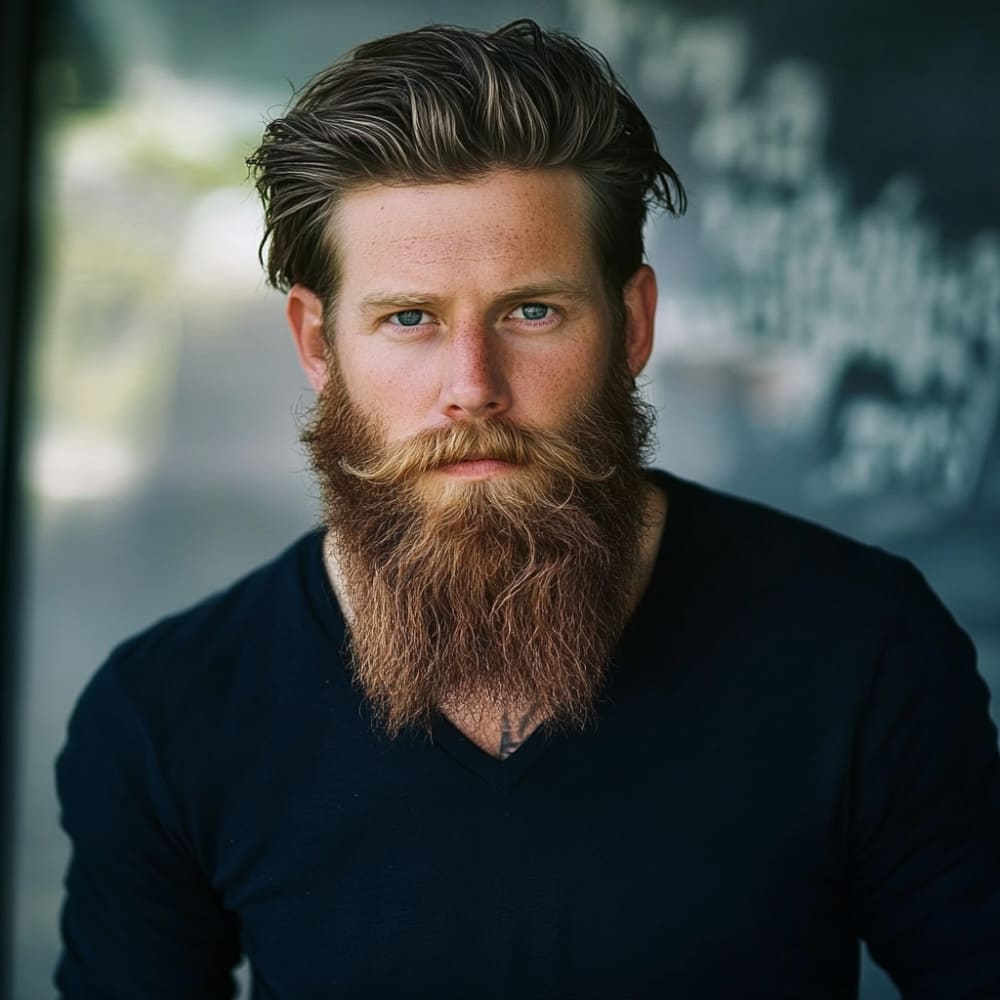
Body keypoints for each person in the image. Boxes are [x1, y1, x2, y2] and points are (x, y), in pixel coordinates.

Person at [54, 19, 999, 1000]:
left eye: (531, 311)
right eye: (408, 318)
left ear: (631, 324)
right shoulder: (166, 715)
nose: (472, 387)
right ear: (318, 341)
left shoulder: (863, 647)